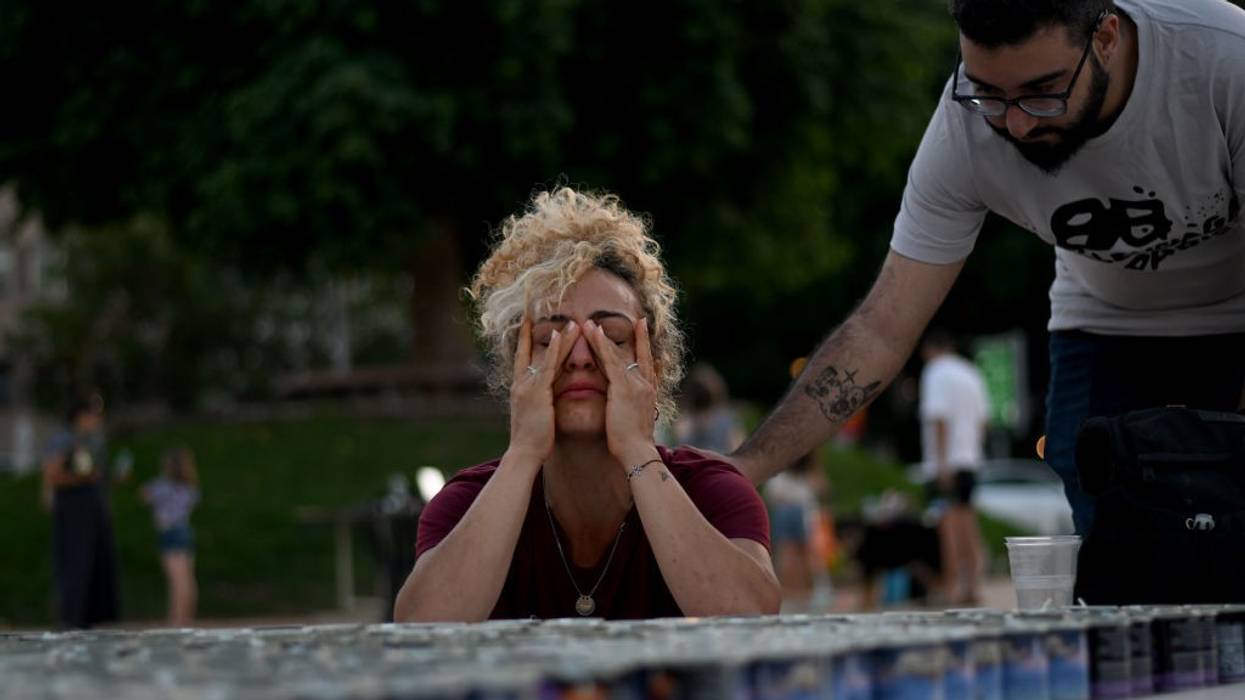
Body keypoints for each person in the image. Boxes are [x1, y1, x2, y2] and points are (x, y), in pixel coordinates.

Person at [719, 0, 1245, 539]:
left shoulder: (1223, 61)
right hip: (1104, 320)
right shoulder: (963, 133)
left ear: (1106, 38)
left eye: (1044, 92)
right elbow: (881, 329)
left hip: (1235, 310)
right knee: (1113, 540)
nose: (1014, 124)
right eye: (989, 92)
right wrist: (745, 469)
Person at [393, 188, 779, 622]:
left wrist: (636, 448)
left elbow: (750, 617)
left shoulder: (711, 492)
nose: (578, 358)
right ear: (514, 371)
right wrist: (522, 452)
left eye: (611, 339)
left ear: (655, 368)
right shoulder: (465, 503)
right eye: (549, 341)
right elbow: (422, 625)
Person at [918, 329, 990, 605]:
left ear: (929, 350)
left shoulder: (935, 372)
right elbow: (983, 421)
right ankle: (971, 585)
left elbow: (939, 418)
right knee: (967, 522)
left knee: (947, 526)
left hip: (947, 461)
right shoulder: (971, 373)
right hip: (969, 459)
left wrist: (941, 463)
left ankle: (948, 587)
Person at [41, 392, 121, 629]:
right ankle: (70, 618)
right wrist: (80, 478)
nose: (97, 419)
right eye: (93, 413)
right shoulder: (64, 439)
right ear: (80, 414)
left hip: (94, 508)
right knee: (75, 563)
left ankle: (94, 617)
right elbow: (53, 475)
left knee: (98, 563)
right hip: (73, 509)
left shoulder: (95, 441)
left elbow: (98, 474)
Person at [141, 447, 200, 626]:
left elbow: (145, 494)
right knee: (188, 582)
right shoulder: (189, 487)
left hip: (170, 532)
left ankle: (175, 623)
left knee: (177, 584)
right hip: (185, 531)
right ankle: (186, 621)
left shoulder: (161, 486)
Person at [762, 451, 825, 611]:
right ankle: (795, 594)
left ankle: (802, 594)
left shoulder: (805, 472)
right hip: (794, 510)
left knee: (801, 555)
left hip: (797, 510)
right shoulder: (785, 471)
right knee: (791, 555)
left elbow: (821, 488)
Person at [674, 363, 746, 454]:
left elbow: (680, 444)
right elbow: (737, 449)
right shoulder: (728, 419)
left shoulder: (685, 421)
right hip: (719, 464)